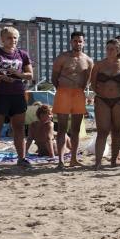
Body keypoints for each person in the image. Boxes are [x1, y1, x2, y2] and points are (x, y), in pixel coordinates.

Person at [0, 26, 34, 168]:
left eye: (15, 38)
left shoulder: (22, 54)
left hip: (17, 94)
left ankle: (21, 158)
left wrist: (17, 74)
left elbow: (30, 75)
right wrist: (1, 77)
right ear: (2, 39)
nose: (12, 40)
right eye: (9, 37)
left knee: (18, 128)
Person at [51, 31, 93, 169]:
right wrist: (62, 89)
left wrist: (81, 91)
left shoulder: (88, 60)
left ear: (84, 43)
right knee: (62, 128)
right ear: (71, 42)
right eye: (75, 41)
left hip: (78, 94)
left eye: (80, 41)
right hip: (63, 92)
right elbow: (54, 77)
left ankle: (73, 159)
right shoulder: (62, 58)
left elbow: (88, 80)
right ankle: (61, 161)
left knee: (75, 129)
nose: (78, 43)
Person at [90, 39, 120, 170]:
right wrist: (102, 94)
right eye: (108, 48)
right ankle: (98, 162)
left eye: (113, 48)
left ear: (119, 50)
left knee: (117, 130)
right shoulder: (98, 65)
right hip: (102, 99)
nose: (109, 51)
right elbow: (93, 84)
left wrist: (117, 93)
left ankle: (114, 160)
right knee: (102, 131)